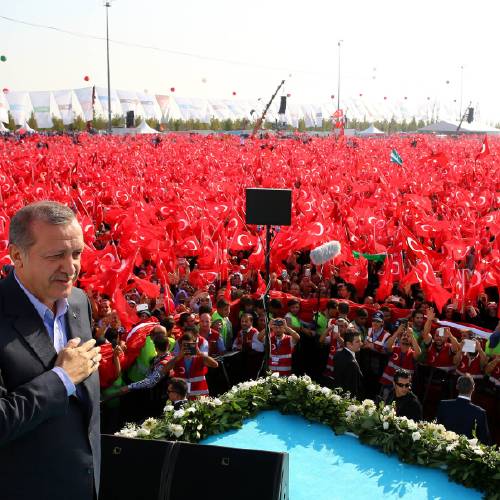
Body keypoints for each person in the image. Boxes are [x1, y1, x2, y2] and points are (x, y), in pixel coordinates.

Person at [0, 201, 101, 500]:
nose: (70, 268)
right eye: (56, 255)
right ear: (17, 256)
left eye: (77, 253)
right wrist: (61, 379)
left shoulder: (79, 302)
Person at [437, 374, 491, 444]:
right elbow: (484, 440)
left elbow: (437, 428)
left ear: (457, 386)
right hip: (466, 453)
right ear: (473, 388)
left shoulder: (444, 405)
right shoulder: (480, 412)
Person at [164, 332, 218, 399]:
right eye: (185, 345)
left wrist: (200, 353)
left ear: (194, 345)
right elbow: (165, 369)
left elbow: (215, 364)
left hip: (200, 397)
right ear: (181, 345)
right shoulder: (177, 359)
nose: (187, 347)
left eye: (189, 345)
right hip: (183, 397)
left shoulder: (200, 358)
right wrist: (178, 357)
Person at [333, 329, 364, 399]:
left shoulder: (338, 354)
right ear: (348, 344)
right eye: (357, 342)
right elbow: (352, 388)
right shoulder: (351, 363)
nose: (361, 344)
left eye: (361, 341)